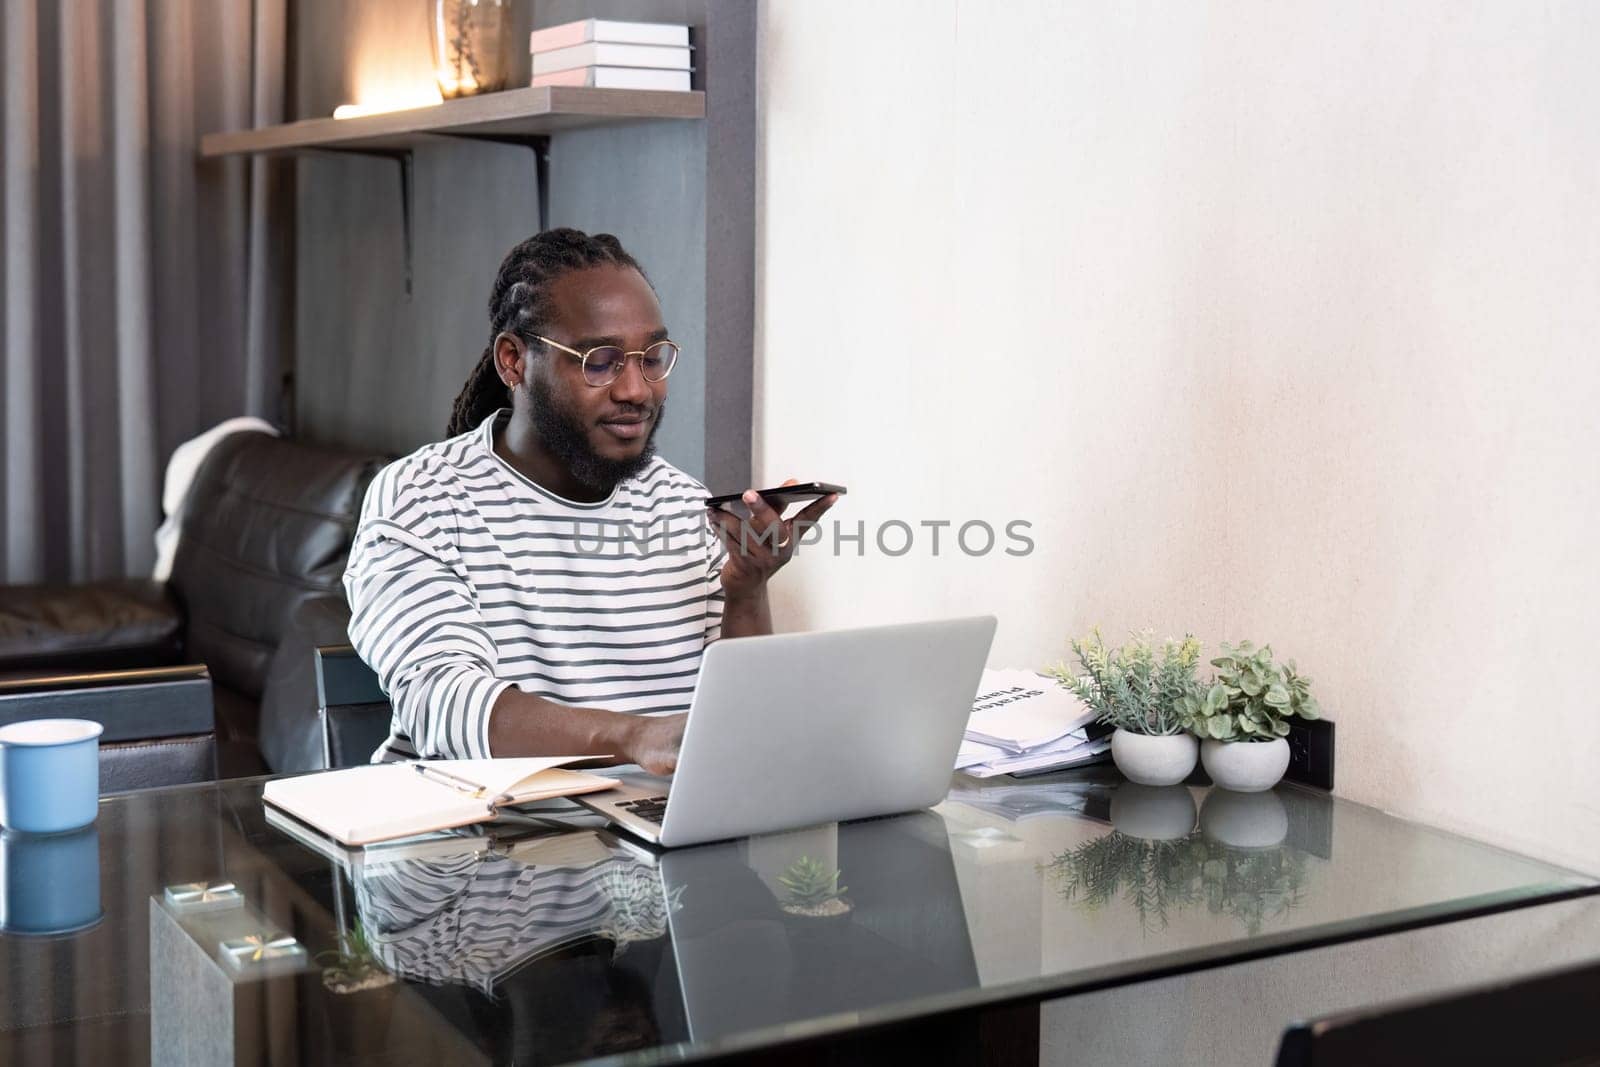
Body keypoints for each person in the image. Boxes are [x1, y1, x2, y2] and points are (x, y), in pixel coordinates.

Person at [344, 228, 835, 772]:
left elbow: (744, 728)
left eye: (652, 358)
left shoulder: (680, 502)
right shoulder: (424, 498)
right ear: (514, 361)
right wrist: (633, 738)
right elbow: (443, 706)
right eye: (600, 362)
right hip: (478, 841)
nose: (636, 389)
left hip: (651, 834)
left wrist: (746, 594)